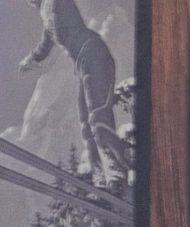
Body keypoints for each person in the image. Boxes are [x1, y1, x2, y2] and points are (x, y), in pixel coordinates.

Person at [20, 0, 130, 180]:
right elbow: (44, 45)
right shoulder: (47, 15)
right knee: (85, 122)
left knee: (98, 116)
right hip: (83, 64)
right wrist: (29, 60)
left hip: (94, 56)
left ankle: (118, 168)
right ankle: (100, 171)